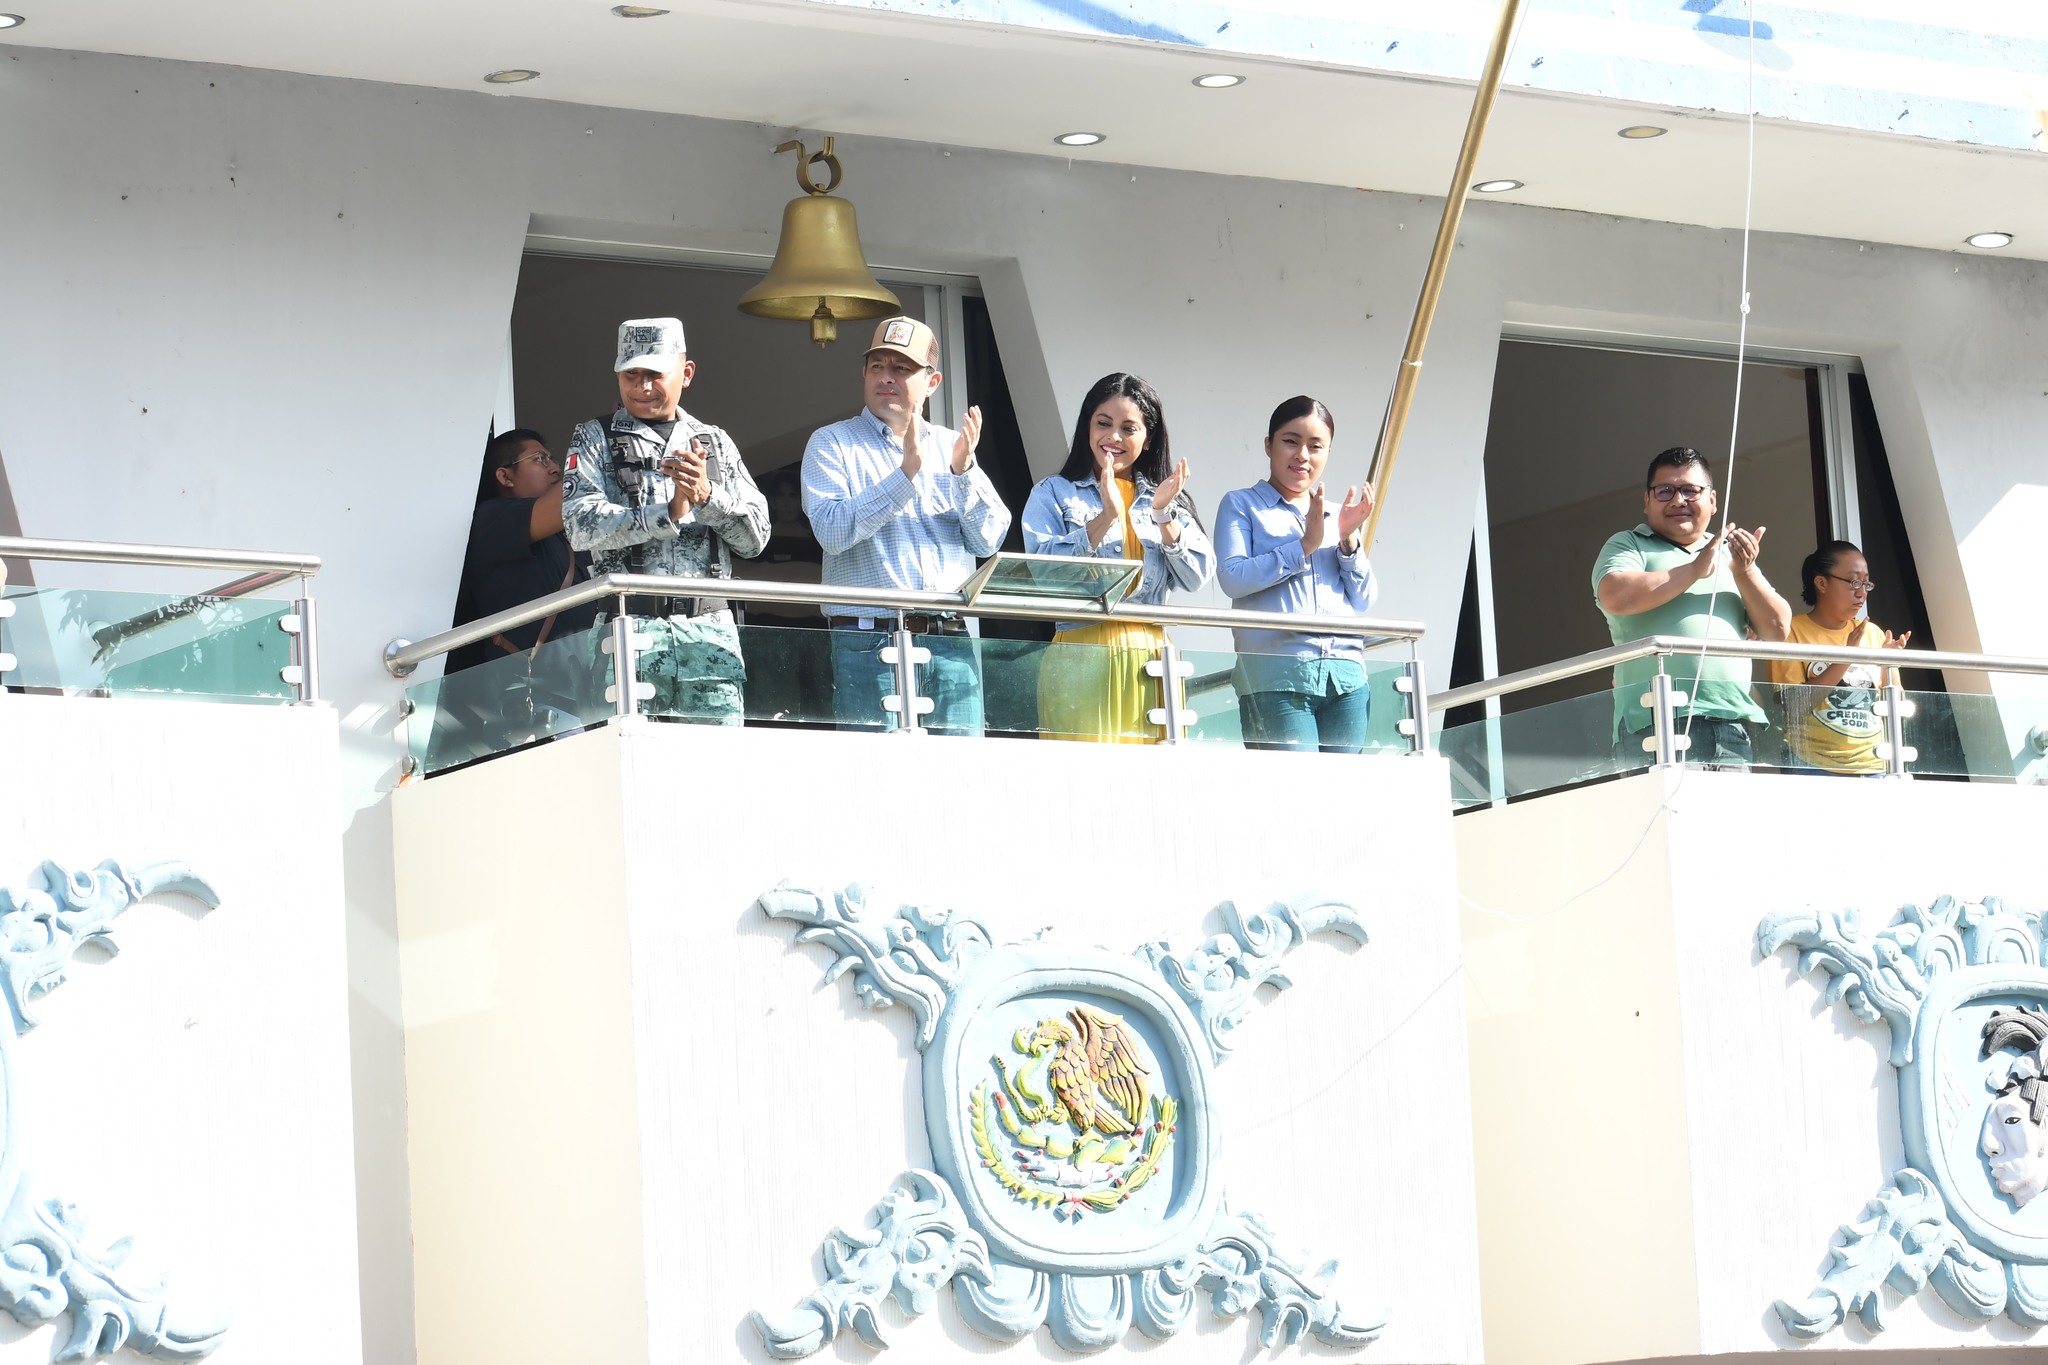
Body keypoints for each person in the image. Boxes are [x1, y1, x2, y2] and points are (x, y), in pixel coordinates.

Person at [801, 315, 1011, 735]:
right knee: (876, 782)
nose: (886, 377)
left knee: (960, 782)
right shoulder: (832, 442)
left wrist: (963, 470)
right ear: (863, 372)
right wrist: (906, 475)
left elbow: (990, 538)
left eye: (901, 368)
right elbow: (832, 532)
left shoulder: (954, 445)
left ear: (932, 382)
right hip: (868, 644)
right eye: (877, 365)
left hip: (950, 643)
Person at [562, 317, 770, 724]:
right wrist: (666, 514)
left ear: (686, 373)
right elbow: (578, 525)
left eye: (654, 375)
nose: (641, 388)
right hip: (628, 637)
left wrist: (708, 499)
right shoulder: (594, 438)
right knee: (631, 773)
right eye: (631, 375)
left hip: (709, 638)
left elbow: (756, 539)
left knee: (714, 774)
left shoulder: (714, 442)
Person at [1020, 373, 1212, 743]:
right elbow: (1043, 572)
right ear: (1087, 427)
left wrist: (1162, 514)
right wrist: (1105, 516)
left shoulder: (1165, 497)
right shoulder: (1053, 492)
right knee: (1084, 779)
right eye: (1103, 424)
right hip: (1080, 653)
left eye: (1129, 428)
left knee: (1154, 781)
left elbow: (1198, 576)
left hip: (1151, 655)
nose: (1114, 438)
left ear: (1148, 437)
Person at [1592, 447, 1791, 768]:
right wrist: (1695, 569)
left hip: (1731, 725)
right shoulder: (1628, 544)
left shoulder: (1730, 554)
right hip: (1654, 723)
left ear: (1712, 502)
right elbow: (1617, 595)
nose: (1678, 500)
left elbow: (1777, 632)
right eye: (1665, 491)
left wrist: (1746, 571)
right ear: (1646, 501)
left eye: (1690, 490)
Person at [1214, 396, 1379, 754]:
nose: (1302, 455)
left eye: (1315, 446)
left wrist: (1348, 538)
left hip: (1347, 678)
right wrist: (1305, 545)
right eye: (1291, 441)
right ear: (1268, 444)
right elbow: (1232, 577)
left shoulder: (1340, 513)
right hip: (1276, 677)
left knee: (1340, 798)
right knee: (1294, 797)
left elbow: (1364, 598)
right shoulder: (1241, 504)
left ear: (1328, 454)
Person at [447, 429, 599, 677]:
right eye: (540, 459)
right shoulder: (489, 519)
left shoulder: (569, 534)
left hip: (585, 688)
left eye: (552, 460)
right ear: (505, 477)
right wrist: (600, 451)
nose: (555, 469)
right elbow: (570, 502)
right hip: (526, 693)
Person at [1765, 540, 1909, 774]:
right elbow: (1792, 707)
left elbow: (1897, 708)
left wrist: (1889, 666)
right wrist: (1846, 656)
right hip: (1811, 765)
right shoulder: (1791, 632)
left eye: (1865, 583)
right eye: (1853, 582)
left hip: (1874, 766)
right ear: (1821, 583)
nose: (1861, 592)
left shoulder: (1874, 634)